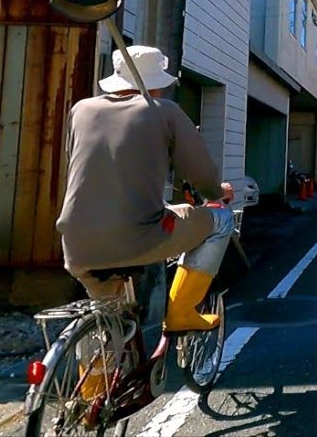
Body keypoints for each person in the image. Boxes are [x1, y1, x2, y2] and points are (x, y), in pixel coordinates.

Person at [56, 45, 234, 334]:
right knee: (222, 220)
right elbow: (202, 173)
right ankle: (182, 313)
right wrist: (216, 193)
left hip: (77, 243)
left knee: (107, 323)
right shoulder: (164, 111)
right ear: (154, 85)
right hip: (139, 235)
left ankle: (93, 378)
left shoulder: (81, 110)